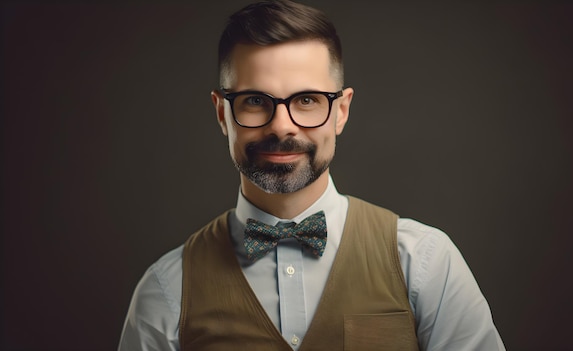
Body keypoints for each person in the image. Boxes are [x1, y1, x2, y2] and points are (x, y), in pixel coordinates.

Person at [118, 0, 505, 350]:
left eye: (306, 100)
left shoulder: (425, 264)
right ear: (222, 113)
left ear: (341, 111)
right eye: (255, 100)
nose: (282, 126)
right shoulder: (166, 291)